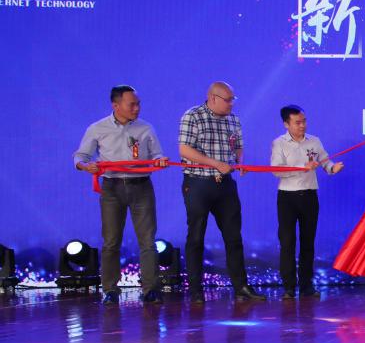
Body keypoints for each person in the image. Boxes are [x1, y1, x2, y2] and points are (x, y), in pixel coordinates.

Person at [73, 85, 168, 304]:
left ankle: (151, 289)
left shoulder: (146, 128)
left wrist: (159, 161)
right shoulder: (98, 128)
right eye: (131, 104)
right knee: (111, 241)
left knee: (148, 241)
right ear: (116, 106)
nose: (137, 108)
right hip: (112, 188)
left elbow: (157, 154)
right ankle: (110, 290)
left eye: (138, 104)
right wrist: (86, 166)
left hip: (141, 186)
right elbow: (80, 156)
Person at [178, 81, 265, 302]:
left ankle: (241, 287)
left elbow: (238, 146)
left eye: (233, 100)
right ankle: (195, 290)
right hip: (198, 183)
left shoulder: (233, 120)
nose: (231, 104)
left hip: (225, 184)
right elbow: (184, 149)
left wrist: (240, 162)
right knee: (196, 237)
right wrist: (215, 163)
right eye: (228, 100)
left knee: (234, 237)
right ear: (213, 98)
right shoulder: (193, 116)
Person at [270, 105, 344, 299]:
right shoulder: (279, 143)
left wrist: (332, 168)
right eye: (297, 122)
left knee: (308, 242)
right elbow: (276, 170)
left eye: (304, 121)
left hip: (310, 196)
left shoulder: (314, 141)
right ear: (286, 124)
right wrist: (302, 167)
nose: (302, 125)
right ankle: (288, 287)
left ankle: (306, 286)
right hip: (287, 198)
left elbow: (325, 161)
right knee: (287, 242)